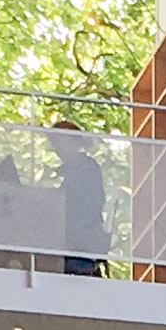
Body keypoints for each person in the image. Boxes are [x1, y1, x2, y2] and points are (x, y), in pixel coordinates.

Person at [50, 116, 108, 276]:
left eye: (60, 142)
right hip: (70, 240)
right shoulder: (73, 171)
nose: (57, 148)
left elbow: (88, 203)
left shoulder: (87, 168)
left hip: (80, 241)